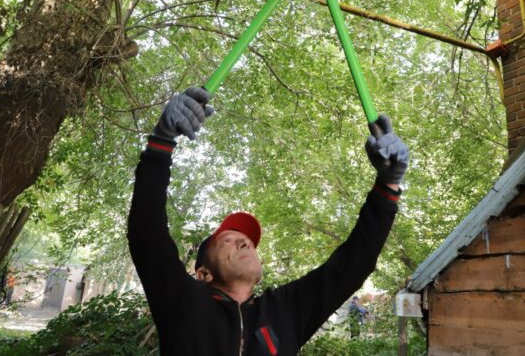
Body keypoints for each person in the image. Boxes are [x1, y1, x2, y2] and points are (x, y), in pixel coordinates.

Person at [128, 87, 408, 355]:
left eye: (247, 241)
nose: (244, 243)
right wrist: (161, 142)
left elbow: (351, 266)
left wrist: (388, 185)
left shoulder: (286, 311)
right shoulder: (183, 301)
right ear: (203, 274)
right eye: (228, 240)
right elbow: (147, 235)